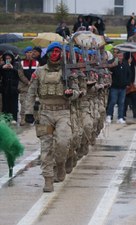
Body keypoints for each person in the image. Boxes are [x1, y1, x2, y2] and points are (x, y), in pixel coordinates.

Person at [24, 42, 80, 192]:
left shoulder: (68, 72)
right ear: (47, 54)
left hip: (63, 112)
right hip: (45, 114)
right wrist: (28, 112)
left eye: (57, 51)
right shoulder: (39, 71)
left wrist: (71, 94)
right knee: (46, 147)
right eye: (52, 52)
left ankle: (60, 164)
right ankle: (48, 179)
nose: (55, 54)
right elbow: (30, 93)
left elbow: (77, 92)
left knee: (63, 142)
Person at [106, 50, 132, 124]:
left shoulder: (125, 63)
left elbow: (129, 73)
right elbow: (109, 71)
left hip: (123, 87)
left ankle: (120, 117)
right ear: (116, 56)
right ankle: (109, 115)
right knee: (113, 101)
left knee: (121, 102)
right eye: (118, 56)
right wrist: (114, 65)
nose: (120, 57)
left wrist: (127, 83)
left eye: (121, 56)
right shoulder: (112, 62)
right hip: (114, 86)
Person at [18, 46, 39, 126]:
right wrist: (27, 82)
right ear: (25, 54)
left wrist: (33, 81)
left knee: (34, 103)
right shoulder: (21, 63)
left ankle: (35, 118)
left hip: (34, 86)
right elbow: (20, 74)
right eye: (27, 52)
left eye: (31, 52)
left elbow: (37, 73)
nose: (29, 54)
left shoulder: (37, 63)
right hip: (24, 86)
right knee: (23, 103)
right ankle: (23, 118)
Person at [0, 51, 20, 123]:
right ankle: (6, 118)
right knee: (5, 104)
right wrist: (2, 68)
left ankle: (14, 118)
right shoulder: (2, 66)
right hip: (5, 88)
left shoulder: (16, 65)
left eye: (9, 58)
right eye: (6, 58)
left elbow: (20, 75)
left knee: (14, 104)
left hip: (14, 88)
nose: (8, 60)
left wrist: (13, 68)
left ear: (12, 58)